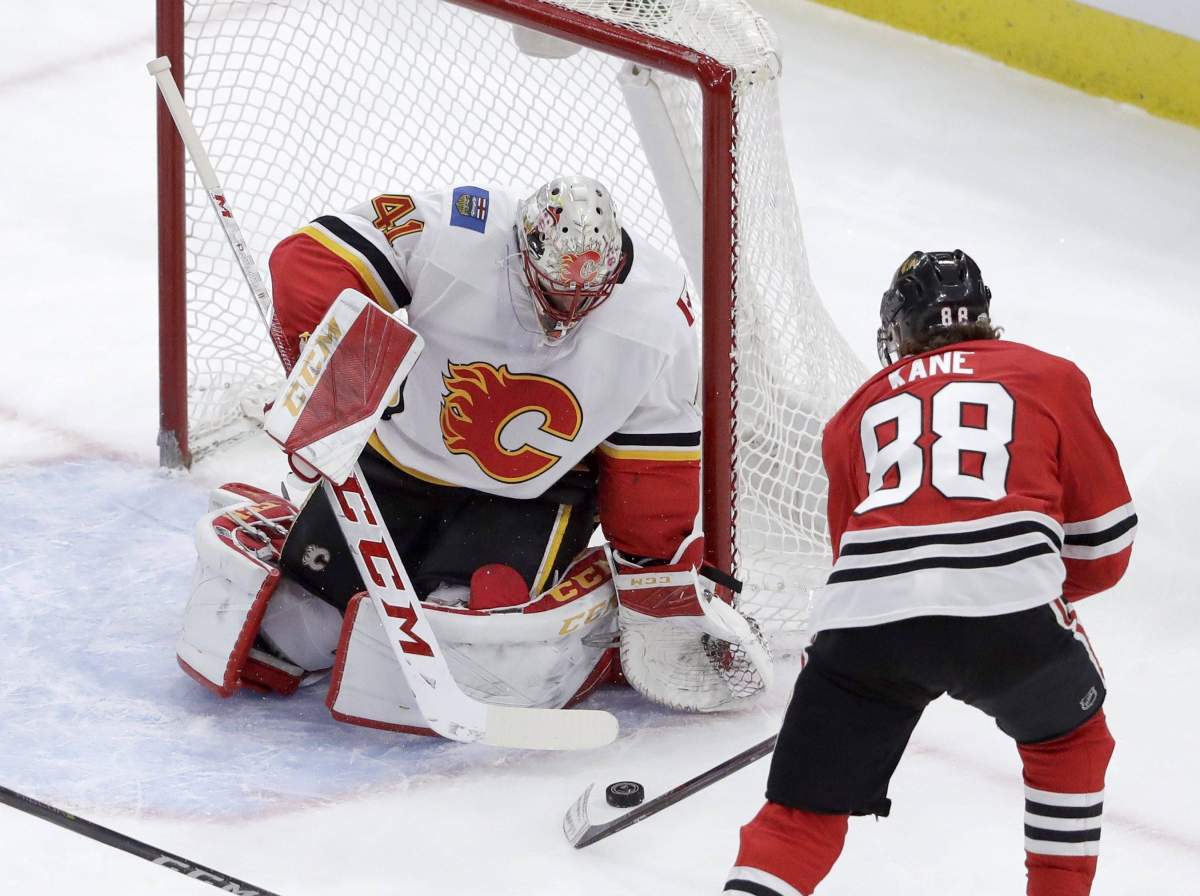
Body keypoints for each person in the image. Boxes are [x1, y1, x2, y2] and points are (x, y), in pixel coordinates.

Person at [175, 176, 771, 734]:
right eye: (553, 291)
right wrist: (339, 385)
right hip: (398, 462)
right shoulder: (457, 230)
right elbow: (309, 257)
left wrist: (649, 556)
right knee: (296, 630)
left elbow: (654, 448)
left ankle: (581, 635)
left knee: (466, 640)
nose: (564, 314)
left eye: (584, 297)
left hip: (534, 497)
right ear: (524, 250)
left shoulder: (659, 316)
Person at [724, 251, 1135, 896]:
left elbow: (852, 564)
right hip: (1011, 613)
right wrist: (1009, 594)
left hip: (867, 624)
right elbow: (1106, 551)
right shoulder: (1051, 377)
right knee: (1071, 742)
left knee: (801, 816)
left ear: (900, 330)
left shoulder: (851, 415)